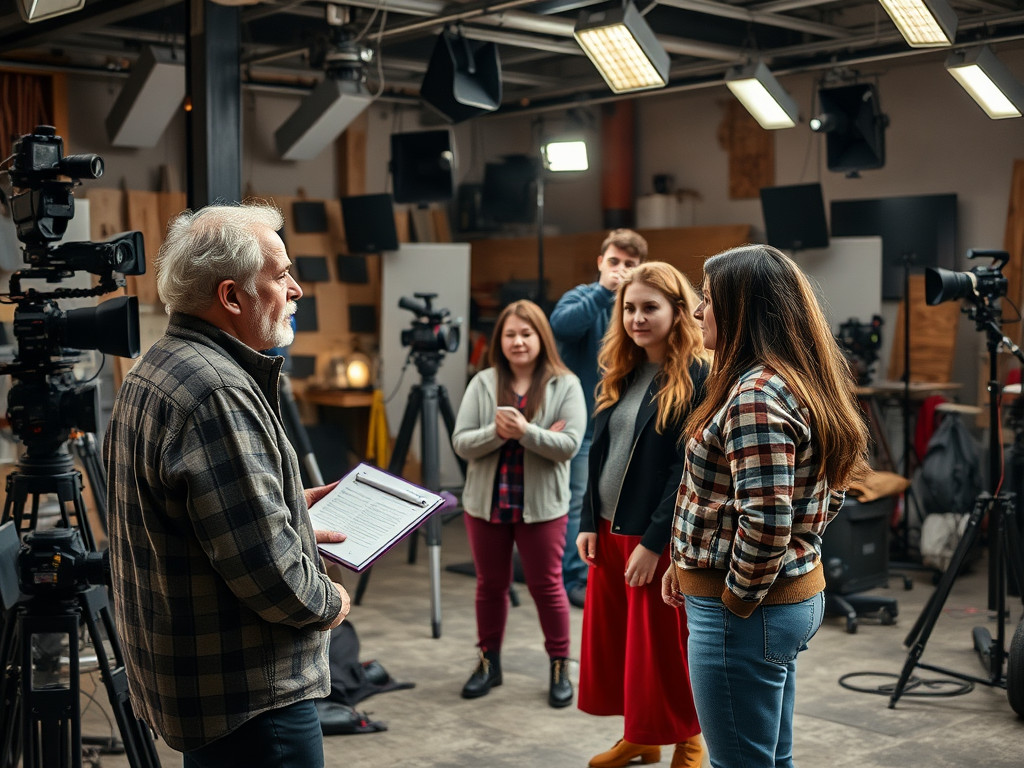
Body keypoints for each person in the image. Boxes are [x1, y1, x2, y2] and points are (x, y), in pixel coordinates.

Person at [104, 202, 349, 768]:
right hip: (254, 698)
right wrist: (327, 603)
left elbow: (201, 522)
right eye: (281, 275)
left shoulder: (158, 366)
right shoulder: (216, 391)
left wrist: (284, 507)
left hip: (206, 691)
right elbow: (270, 573)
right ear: (232, 297)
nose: (297, 290)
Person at [666, 244, 869, 768]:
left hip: (749, 609)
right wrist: (683, 563)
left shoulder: (755, 393)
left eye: (707, 300)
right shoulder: (793, 380)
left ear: (742, 311)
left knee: (739, 763)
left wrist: (734, 602)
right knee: (770, 760)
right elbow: (827, 491)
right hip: (784, 595)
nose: (696, 312)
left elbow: (767, 520)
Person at [577, 262, 709, 768]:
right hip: (610, 529)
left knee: (662, 646)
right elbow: (598, 452)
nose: (637, 317)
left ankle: (690, 739)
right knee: (626, 647)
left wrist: (656, 543)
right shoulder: (623, 373)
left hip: (655, 537)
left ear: (679, 312)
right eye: (629, 307)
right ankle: (643, 736)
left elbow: (686, 470)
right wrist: (590, 521)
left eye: (650, 307)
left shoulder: (698, 377)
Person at [452, 299, 586, 708]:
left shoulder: (566, 384)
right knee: (490, 586)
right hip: (486, 506)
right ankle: (487, 662)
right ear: (500, 340)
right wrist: (500, 432)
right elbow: (462, 442)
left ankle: (560, 665)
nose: (518, 341)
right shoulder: (483, 382)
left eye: (526, 333)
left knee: (548, 586)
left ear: (541, 337)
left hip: (542, 508)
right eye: (510, 334)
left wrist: (526, 431)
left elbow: (568, 446)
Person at [549, 229, 646, 608]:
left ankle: (607, 572)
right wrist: (604, 291)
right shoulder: (584, 296)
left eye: (629, 264)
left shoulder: (636, 307)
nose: (620, 270)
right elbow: (561, 327)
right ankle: (575, 578)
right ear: (600, 262)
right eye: (614, 261)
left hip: (625, 424)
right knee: (579, 502)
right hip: (585, 426)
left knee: (615, 501)